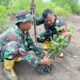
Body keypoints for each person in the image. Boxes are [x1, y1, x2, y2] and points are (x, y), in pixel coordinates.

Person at [0, 10, 52, 80]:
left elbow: (31, 43)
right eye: (29, 22)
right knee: (14, 46)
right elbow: (23, 53)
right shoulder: (13, 34)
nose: (31, 24)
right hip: (1, 53)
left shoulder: (23, 30)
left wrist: (42, 51)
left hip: (7, 49)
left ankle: (13, 57)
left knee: (25, 44)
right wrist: (40, 61)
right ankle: (7, 68)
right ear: (22, 23)